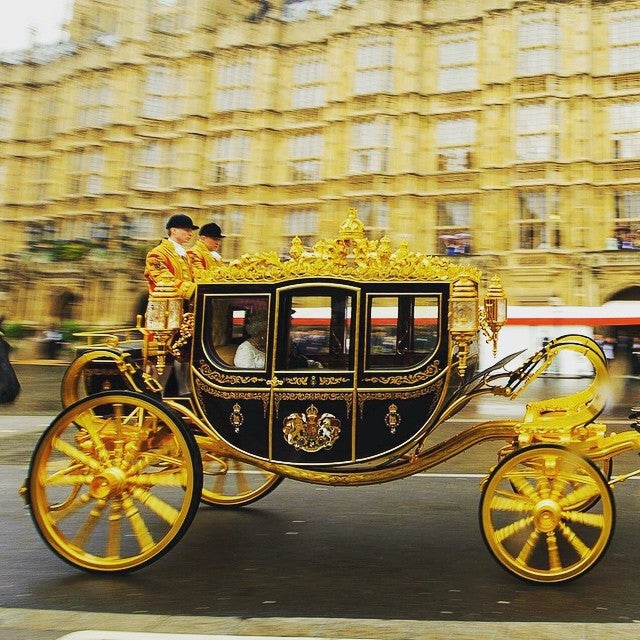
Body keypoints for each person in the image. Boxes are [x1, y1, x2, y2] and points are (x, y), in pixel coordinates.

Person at [144, 214, 199, 301]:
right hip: (165, 306)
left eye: (191, 230)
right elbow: (164, 280)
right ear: (174, 230)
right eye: (187, 230)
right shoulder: (157, 254)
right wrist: (193, 290)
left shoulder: (184, 254)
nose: (191, 234)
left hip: (184, 305)